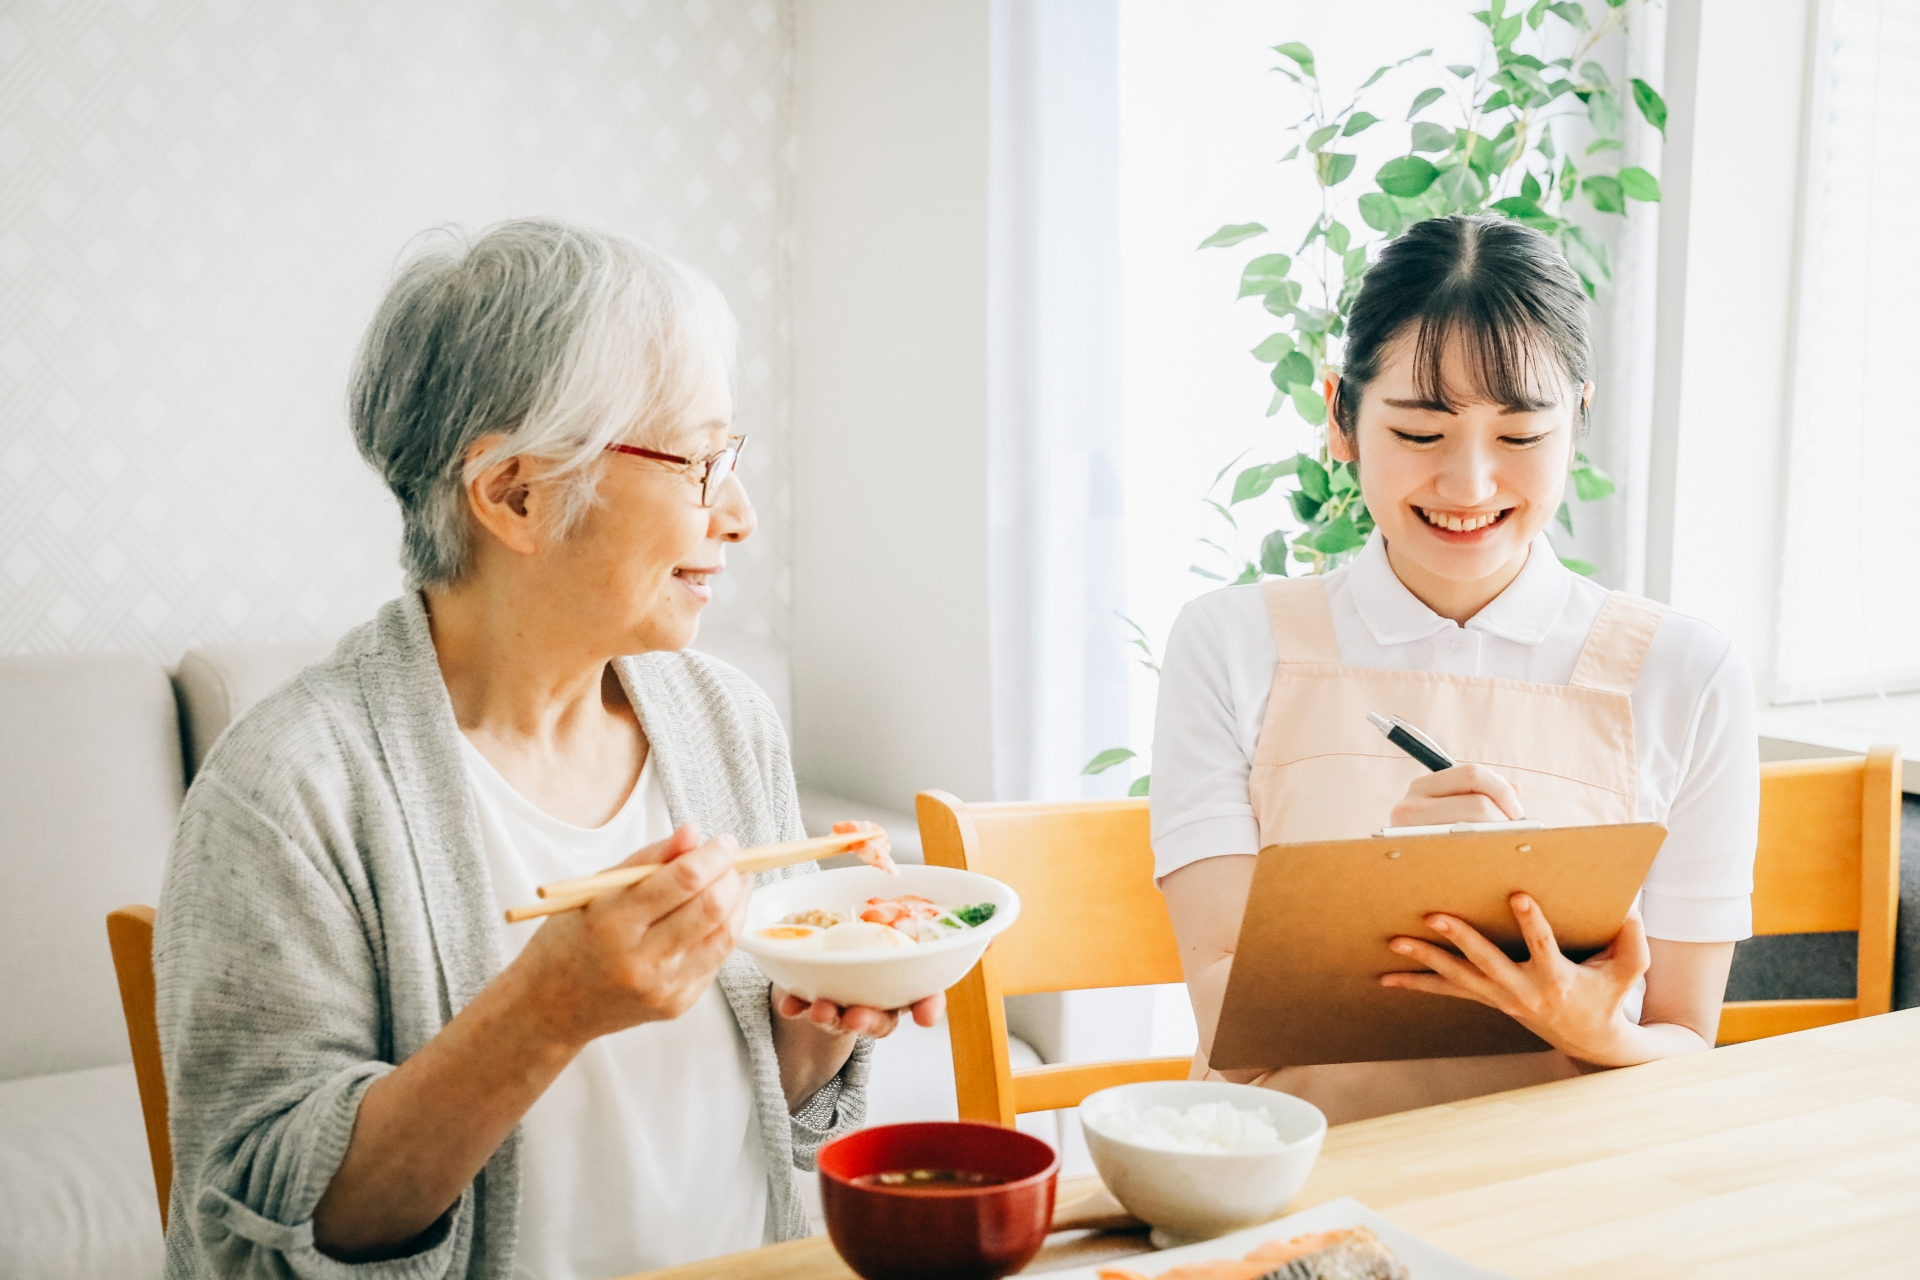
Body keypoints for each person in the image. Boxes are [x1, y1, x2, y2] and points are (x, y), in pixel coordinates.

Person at [154, 218, 937, 1280]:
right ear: (516, 493)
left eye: (733, 455)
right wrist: (545, 1011)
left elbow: (754, 1108)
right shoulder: (292, 787)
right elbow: (265, 1235)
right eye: (701, 461)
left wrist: (829, 1014)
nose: (741, 514)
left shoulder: (727, 721)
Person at [1151, 213, 1758, 1125]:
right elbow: (1231, 1037)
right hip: (1302, 1169)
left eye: (1521, 437)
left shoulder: (1688, 673)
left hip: (1569, 1183)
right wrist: (1391, 879)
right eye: (1420, 432)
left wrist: (1593, 1030)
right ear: (1341, 417)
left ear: (1577, 421)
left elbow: (1684, 1041)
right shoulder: (1229, 644)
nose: (1470, 485)